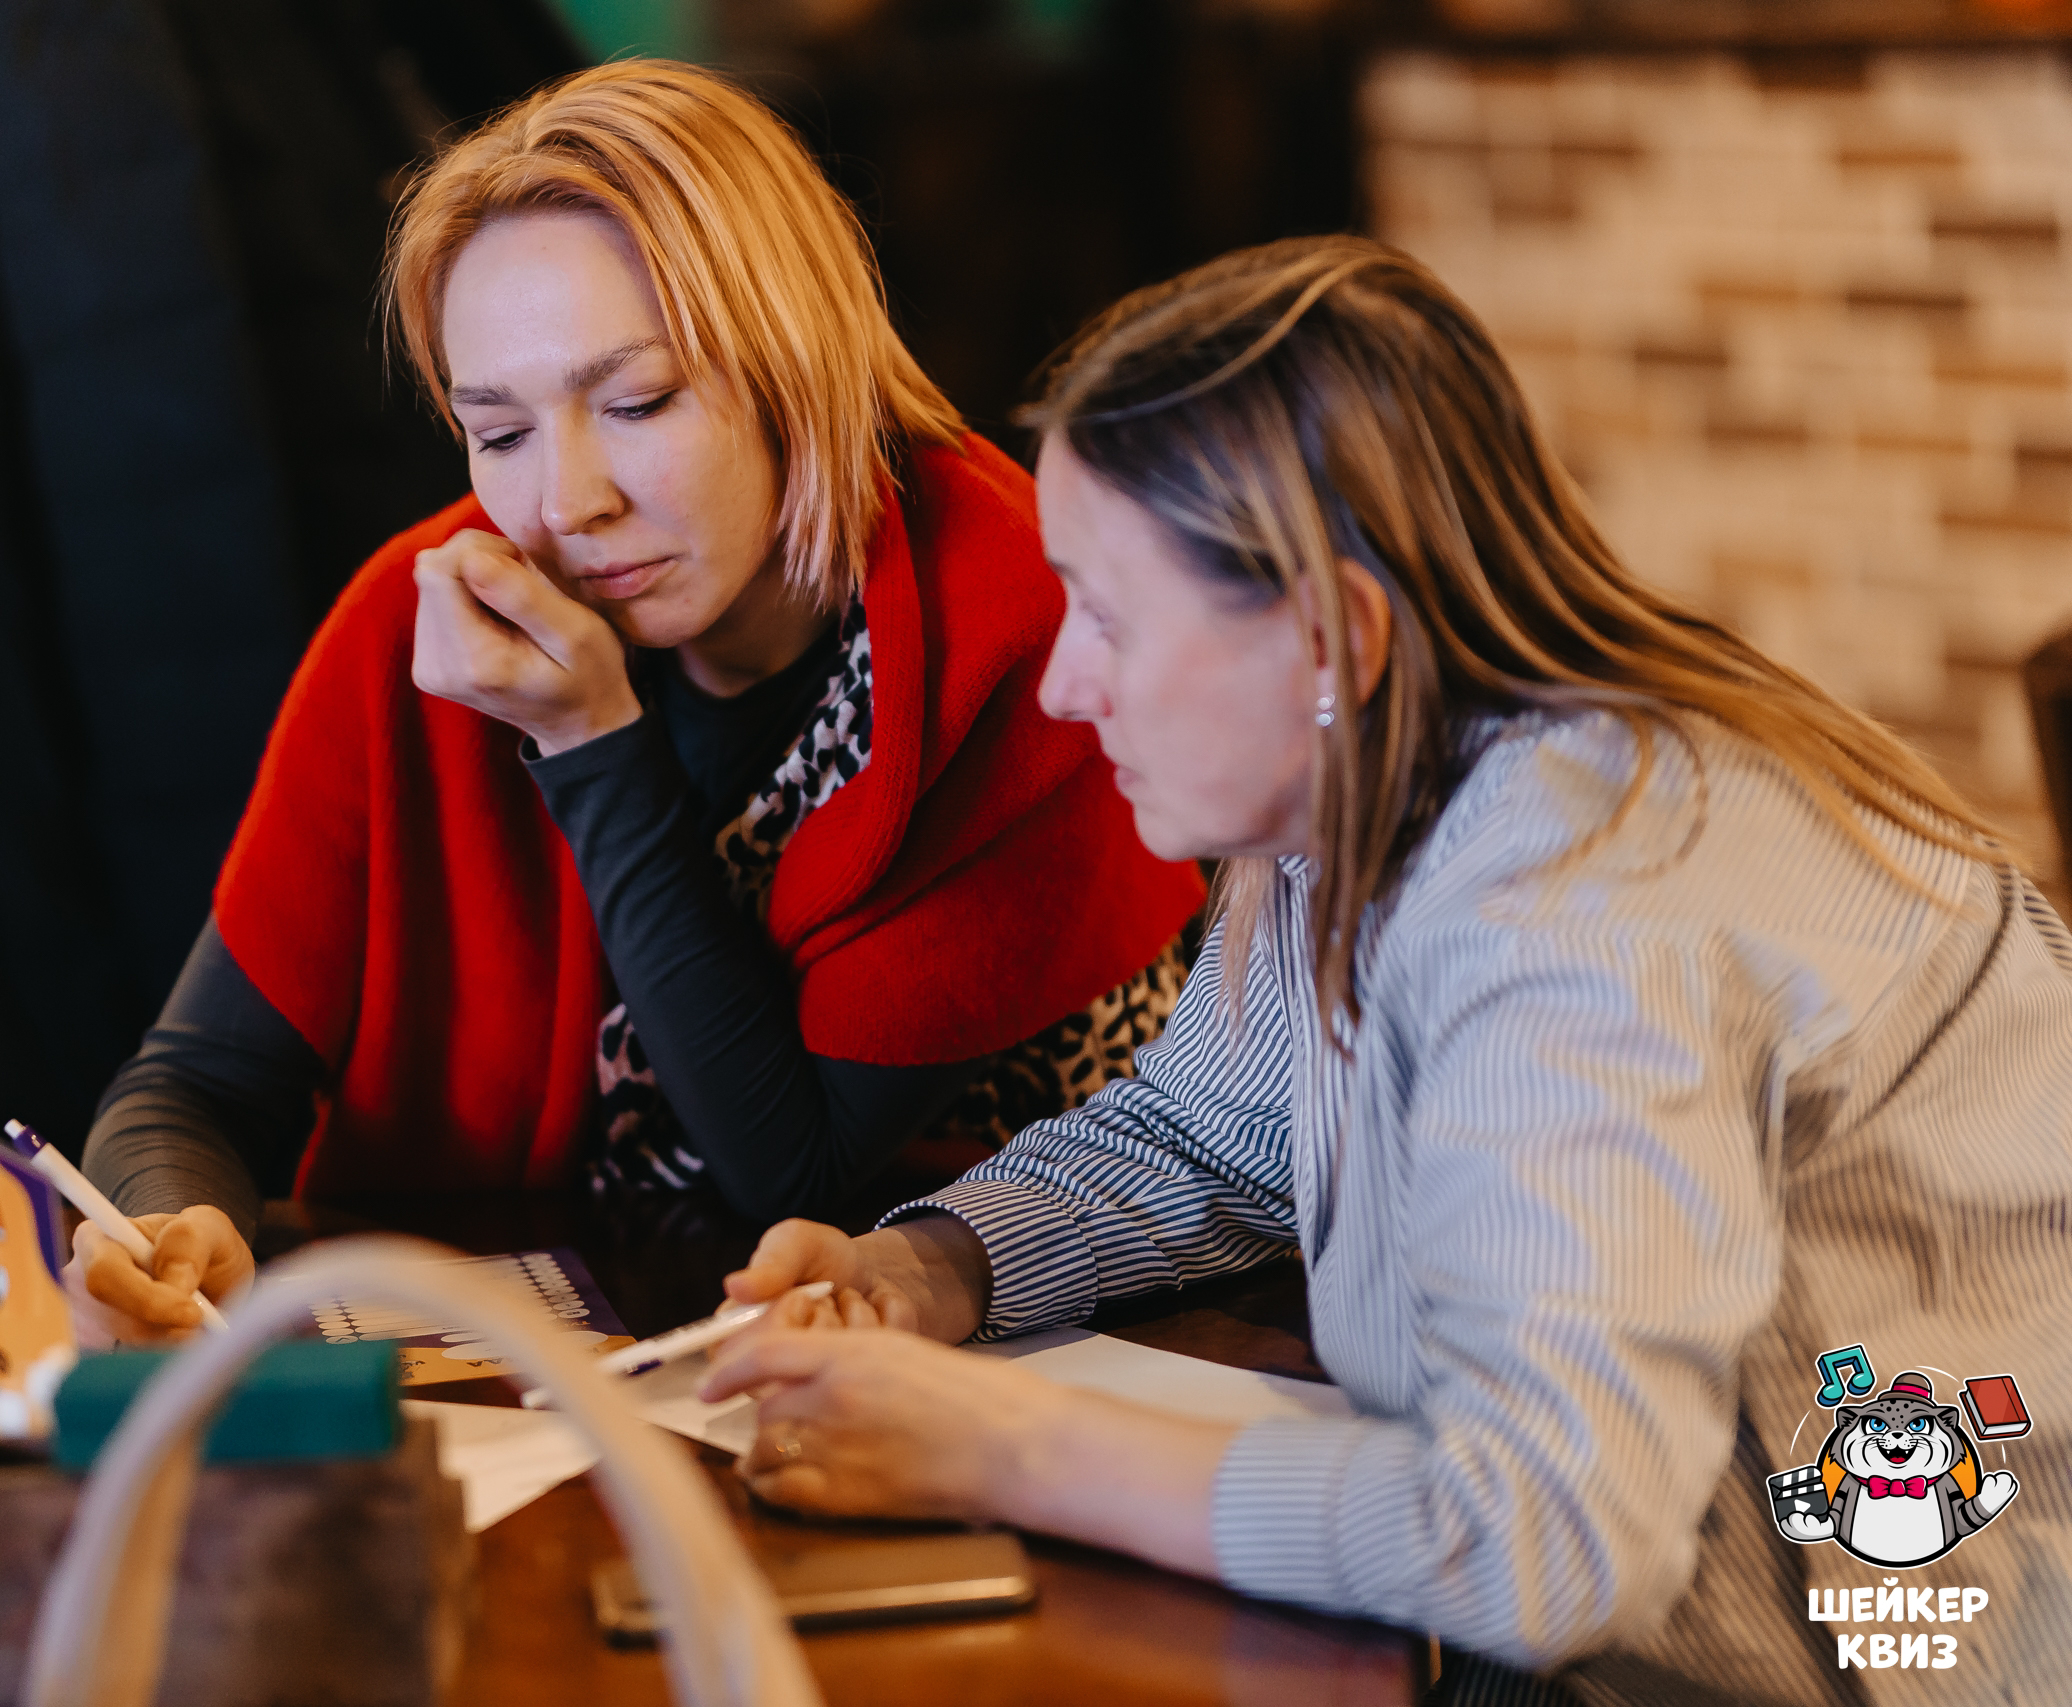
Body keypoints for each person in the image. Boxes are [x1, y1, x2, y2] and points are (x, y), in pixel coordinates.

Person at [702, 236, 2072, 1704]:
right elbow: (1195, 1133)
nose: (1061, 680)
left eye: (1109, 613)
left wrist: (995, 1441)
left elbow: (1548, 1536)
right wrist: (927, 1268)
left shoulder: (1580, 903)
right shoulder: (1357, 797)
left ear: (1330, 638)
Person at [66, 61, 1205, 1337]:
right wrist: (173, 1224)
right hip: (571, 1385)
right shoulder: (432, 616)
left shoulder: (1010, 628)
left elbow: (788, 1178)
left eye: (636, 402)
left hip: (990, 1366)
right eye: (498, 433)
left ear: (795, 361)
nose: (566, 504)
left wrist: (587, 743)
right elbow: (198, 1080)